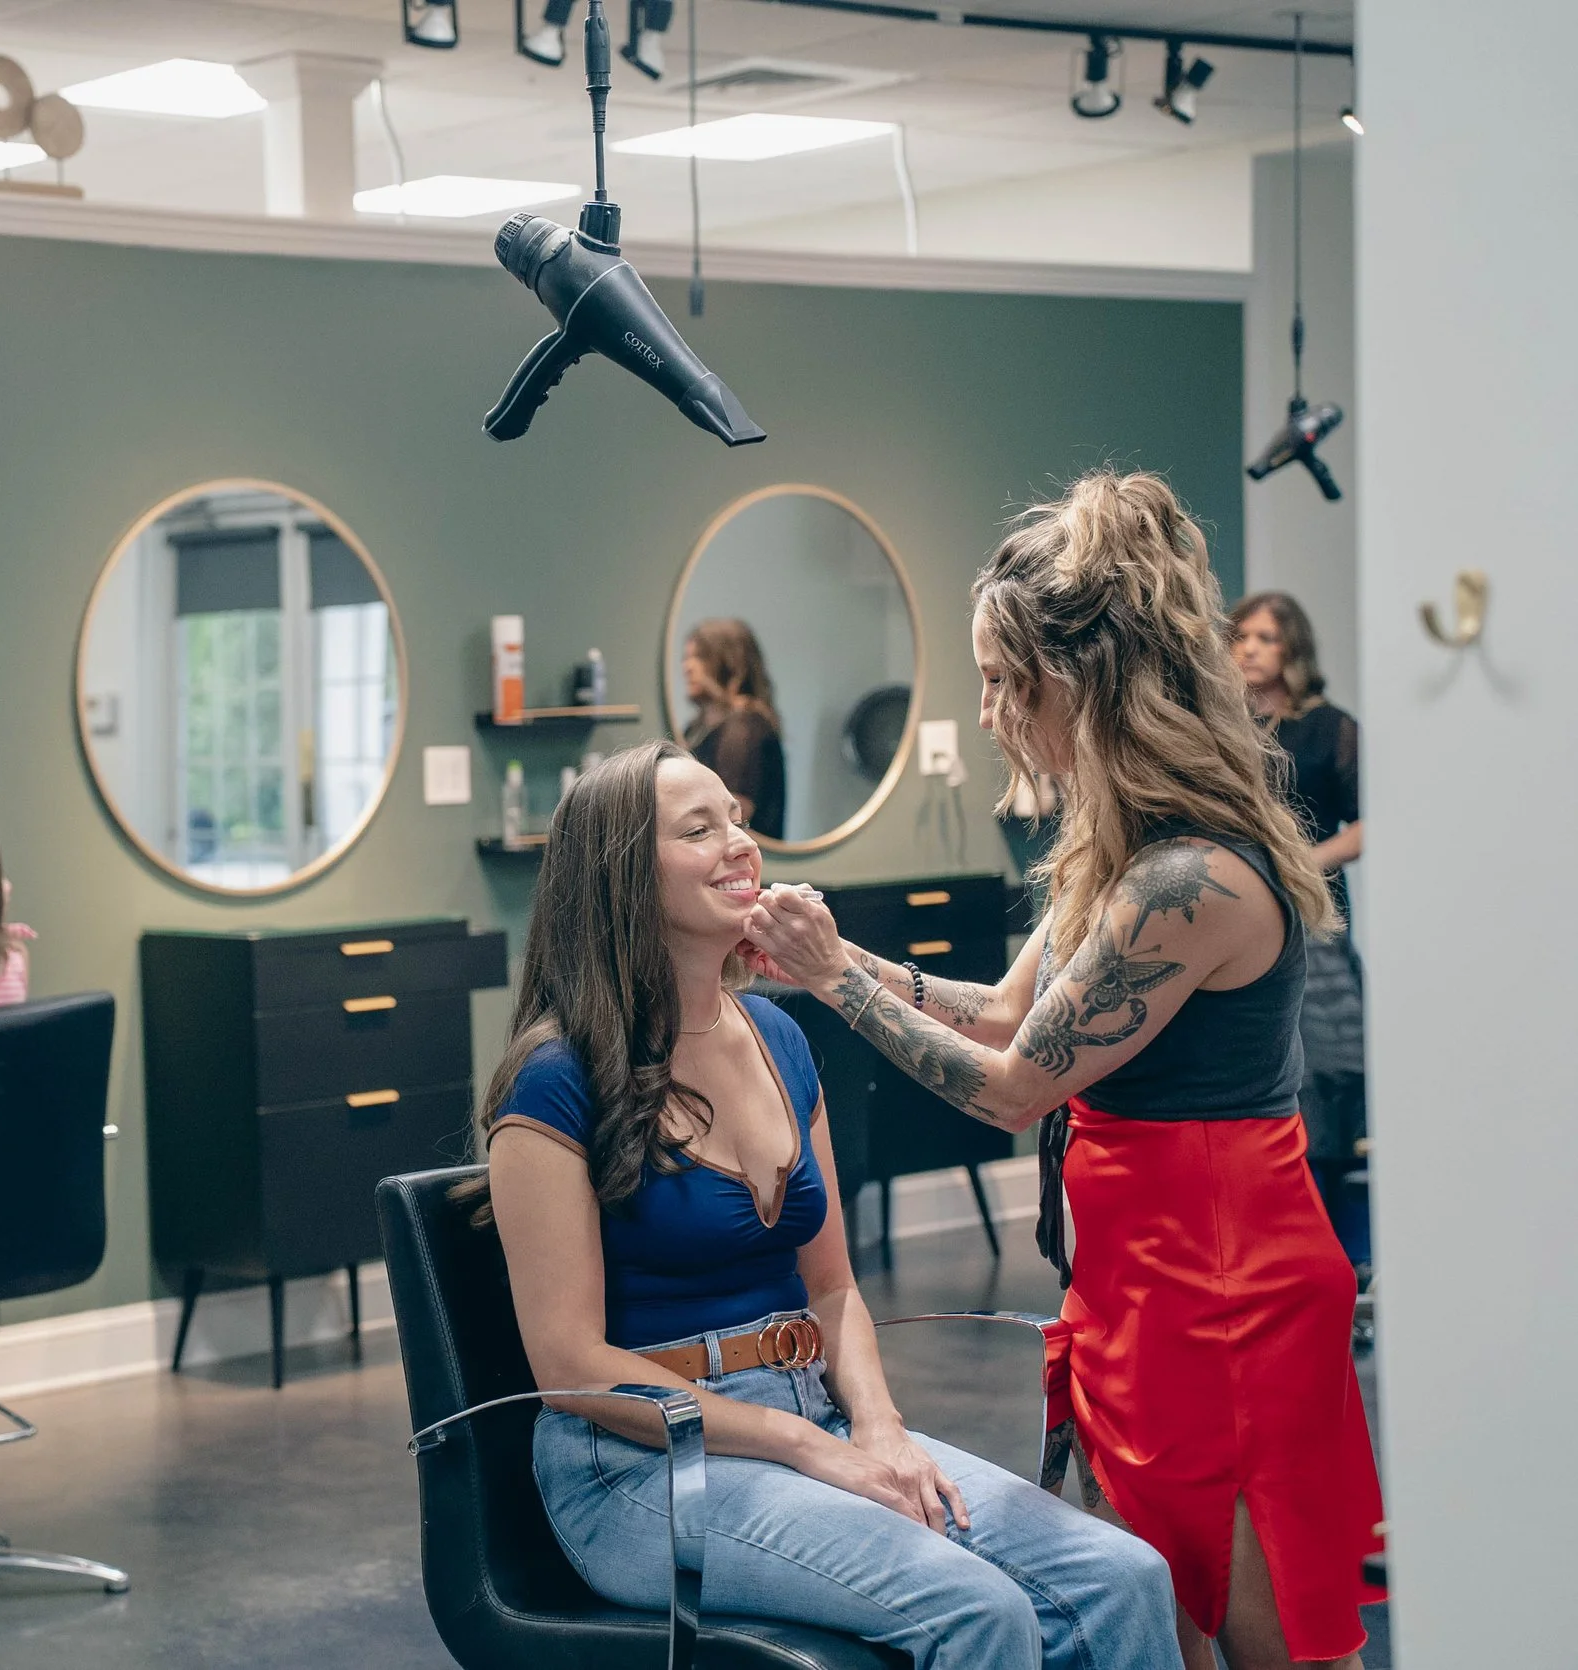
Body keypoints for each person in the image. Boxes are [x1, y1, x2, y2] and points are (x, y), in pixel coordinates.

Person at [742, 472, 1383, 1670]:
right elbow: (1004, 1013)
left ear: (1078, 682)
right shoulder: (1123, 851)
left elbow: (1010, 1087)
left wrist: (833, 981)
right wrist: (824, 958)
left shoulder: (1190, 879)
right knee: (1153, 1621)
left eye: (1002, 681)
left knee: (1280, 1647)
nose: (987, 712)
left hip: (1225, 1302)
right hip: (1141, 1291)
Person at [474, 739, 1179, 1669]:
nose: (740, 843)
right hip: (640, 1466)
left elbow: (835, 1288)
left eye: (737, 818)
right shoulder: (554, 1079)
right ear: (620, 878)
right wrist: (802, 1447)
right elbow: (572, 1364)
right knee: (977, 1613)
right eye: (699, 830)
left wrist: (879, 1426)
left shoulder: (779, 1039)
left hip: (813, 1412)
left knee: (1123, 1577)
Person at [1231, 591, 1370, 1269]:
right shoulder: (1223, 730)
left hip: (1314, 921)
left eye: (1266, 637)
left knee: (1327, 1079)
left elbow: (1371, 822)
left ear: (1294, 649)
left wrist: (1303, 863)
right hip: (1239, 921)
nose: (1250, 649)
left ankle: (1333, 1254)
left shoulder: (1329, 729)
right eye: (1241, 636)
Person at [679, 618, 787, 839]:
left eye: (700, 657)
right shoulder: (696, 728)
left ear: (730, 663)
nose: (688, 667)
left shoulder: (745, 727)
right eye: (687, 658)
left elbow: (735, 813)